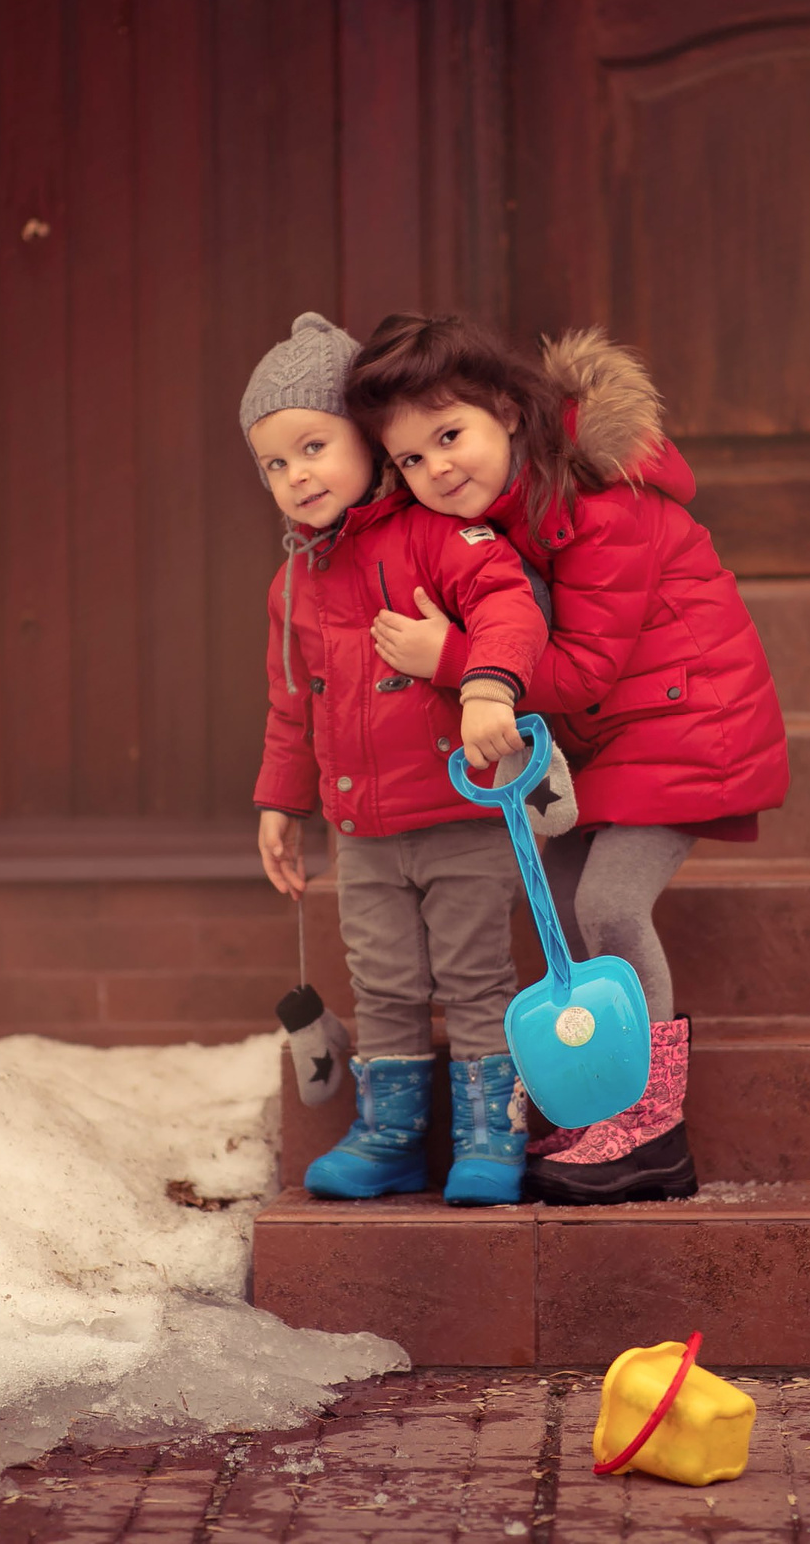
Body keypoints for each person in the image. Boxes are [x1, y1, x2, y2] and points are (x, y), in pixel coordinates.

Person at [345, 316, 787, 1205]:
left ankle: (652, 1129)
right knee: (561, 891)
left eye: (450, 435)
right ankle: (606, 1100)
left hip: (686, 719)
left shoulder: (598, 505)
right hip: (618, 731)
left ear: (509, 412)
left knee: (609, 902)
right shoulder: (505, 513)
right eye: (411, 460)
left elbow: (584, 669)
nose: (437, 468)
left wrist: (451, 660)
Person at [243, 312, 547, 1207]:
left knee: (474, 976)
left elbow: (508, 608)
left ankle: (493, 1133)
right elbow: (292, 703)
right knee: (383, 983)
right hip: (362, 835)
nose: (296, 474)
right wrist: (280, 802)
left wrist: (487, 686)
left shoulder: (433, 535)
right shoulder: (293, 583)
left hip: (460, 816)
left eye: (313, 446)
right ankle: (390, 1134)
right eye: (273, 463)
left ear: (370, 442)